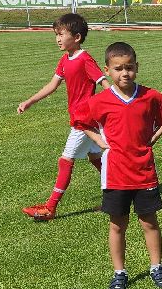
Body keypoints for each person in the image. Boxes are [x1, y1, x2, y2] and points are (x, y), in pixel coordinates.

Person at [75, 42, 162, 289]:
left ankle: (156, 267)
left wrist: (154, 137)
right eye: (118, 69)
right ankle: (119, 273)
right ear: (108, 71)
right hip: (115, 172)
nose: (124, 73)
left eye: (129, 68)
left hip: (144, 169)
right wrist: (101, 142)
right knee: (117, 224)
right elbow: (80, 120)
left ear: (137, 67)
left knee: (149, 221)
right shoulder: (101, 100)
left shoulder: (149, 96)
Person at [17, 13, 109, 222]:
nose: (57, 39)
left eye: (61, 34)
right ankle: (117, 195)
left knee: (65, 159)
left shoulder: (85, 59)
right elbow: (52, 85)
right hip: (82, 118)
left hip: (83, 120)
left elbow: (104, 83)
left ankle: (50, 207)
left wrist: (116, 104)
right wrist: (29, 101)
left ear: (76, 37)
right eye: (56, 34)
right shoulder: (65, 59)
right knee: (96, 158)